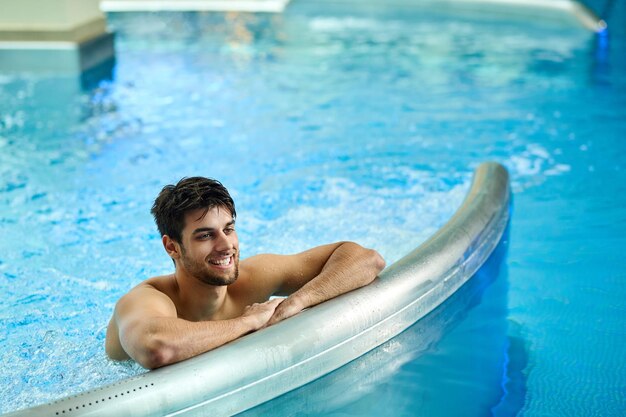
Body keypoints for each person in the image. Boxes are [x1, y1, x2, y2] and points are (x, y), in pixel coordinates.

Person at [105, 177, 385, 369]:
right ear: (172, 247)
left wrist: (297, 301)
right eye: (205, 236)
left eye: (229, 229)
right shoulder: (145, 301)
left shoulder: (252, 278)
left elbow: (366, 259)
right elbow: (157, 348)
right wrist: (246, 323)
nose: (226, 246)